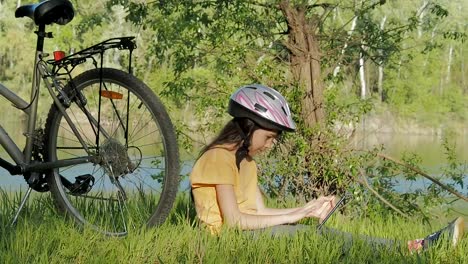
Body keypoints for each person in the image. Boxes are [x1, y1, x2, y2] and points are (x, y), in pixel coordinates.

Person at [189, 84, 465, 253]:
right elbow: (235, 222)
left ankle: (413, 247)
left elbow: (258, 212)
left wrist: (306, 209)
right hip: (228, 240)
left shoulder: (246, 163)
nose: (271, 145)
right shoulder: (218, 158)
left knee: (319, 234)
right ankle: (415, 249)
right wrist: (299, 214)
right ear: (248, 126)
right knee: (317, 238)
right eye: (269, 137)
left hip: (250, 233)